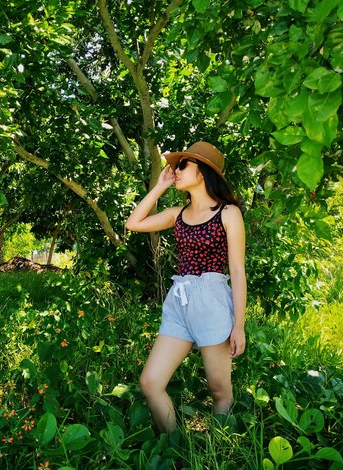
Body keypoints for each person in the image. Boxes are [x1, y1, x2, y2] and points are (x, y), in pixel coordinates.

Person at [125, 141, 246, 434]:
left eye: (182, 165)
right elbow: (133, 223)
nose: (175, 171)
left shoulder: (227, 213)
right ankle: (177, 451)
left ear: (203, 172)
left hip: (212, 299)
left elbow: (238, 270)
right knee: (151, 383)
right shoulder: (176, 214)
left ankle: (220, 451)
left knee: (219, 392)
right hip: (179, 301)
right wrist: (160, 185)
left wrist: (239, 326)